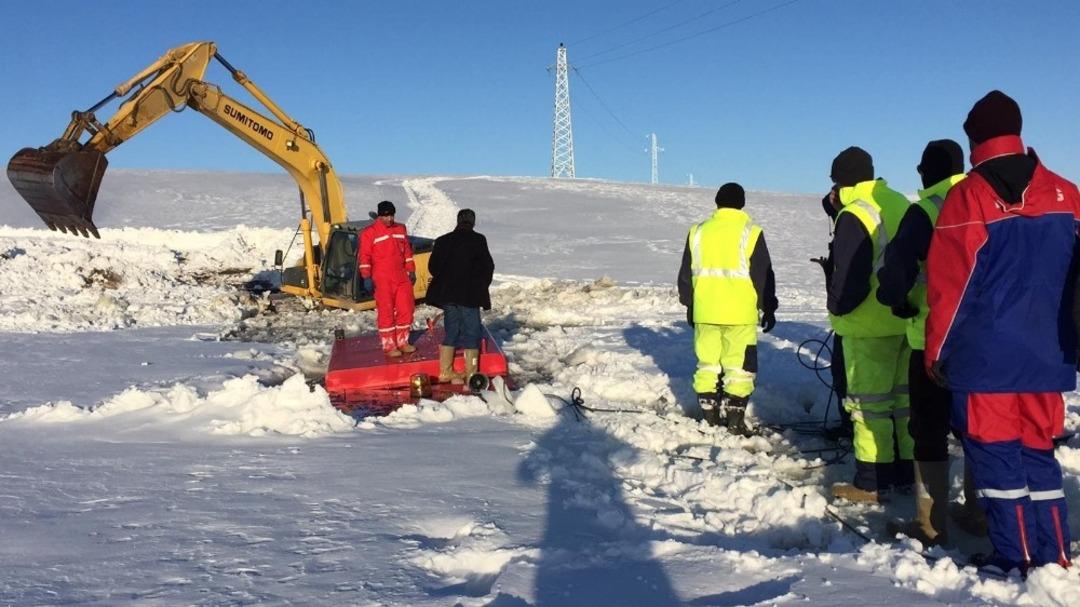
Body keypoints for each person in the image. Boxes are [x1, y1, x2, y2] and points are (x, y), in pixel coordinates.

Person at [925, 90, 1076, 572]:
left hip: (985, 360)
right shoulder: (1066, 193)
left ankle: (1016, 558)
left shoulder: (967, 197)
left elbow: (951, 287)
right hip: (1048, 357)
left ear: (974, 139)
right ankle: (1055, 556)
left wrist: (936, 354)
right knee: (1039, 458)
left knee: (997, 462)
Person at [876, 139, 973, 545]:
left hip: (931, 339)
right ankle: (979, 511)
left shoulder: (928, 207)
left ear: (926, 171)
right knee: (976, 429)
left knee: (929, 429)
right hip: (982, 342)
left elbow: (897, 268)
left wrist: (895, 300)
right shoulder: (980, 198)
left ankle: (931, 524)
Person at [826, 147, 914, 503]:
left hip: (867, 327)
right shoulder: (899, 203)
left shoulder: (854, 214)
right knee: (905, 404)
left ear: (839, 180)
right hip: (904, 321)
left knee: (869, 406)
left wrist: (838, 310)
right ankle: (908, 473)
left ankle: (871, 480)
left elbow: (849, 276)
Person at [677, 182, 777, 436]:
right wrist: (768, 306)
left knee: (707, 363)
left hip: (705, 311)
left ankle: (709, 416)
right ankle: (735, 419)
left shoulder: (697, 231)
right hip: (739, 313)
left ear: (717, 202)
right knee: (739, 366)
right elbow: (762, 274)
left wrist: (690, 304)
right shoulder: (751, 232)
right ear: (742, 203)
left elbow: (686, 274)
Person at [425, 208, 495, 385]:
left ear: (457, 221)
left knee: (452, 330)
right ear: (473, 222)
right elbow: (488, 267)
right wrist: (481, 285)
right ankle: (471, 373)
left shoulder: (442, 240)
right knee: (472, 333)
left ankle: (446, 372)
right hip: (469, 295)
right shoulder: (478, 240)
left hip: (448, 295)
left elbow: (433, 267)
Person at [358, 200, 417, 357]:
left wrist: (411, 270)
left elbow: (407, 253)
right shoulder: (369, 233)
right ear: (379, 216)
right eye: (386, 216)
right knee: (386, 311)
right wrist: (366, 277)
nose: (389, 219)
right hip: (382, 278)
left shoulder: (400, 228)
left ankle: (403, 341)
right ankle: (389, 345)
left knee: (406, 308)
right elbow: (365, 257)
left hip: (401, 276)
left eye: (391, 215)